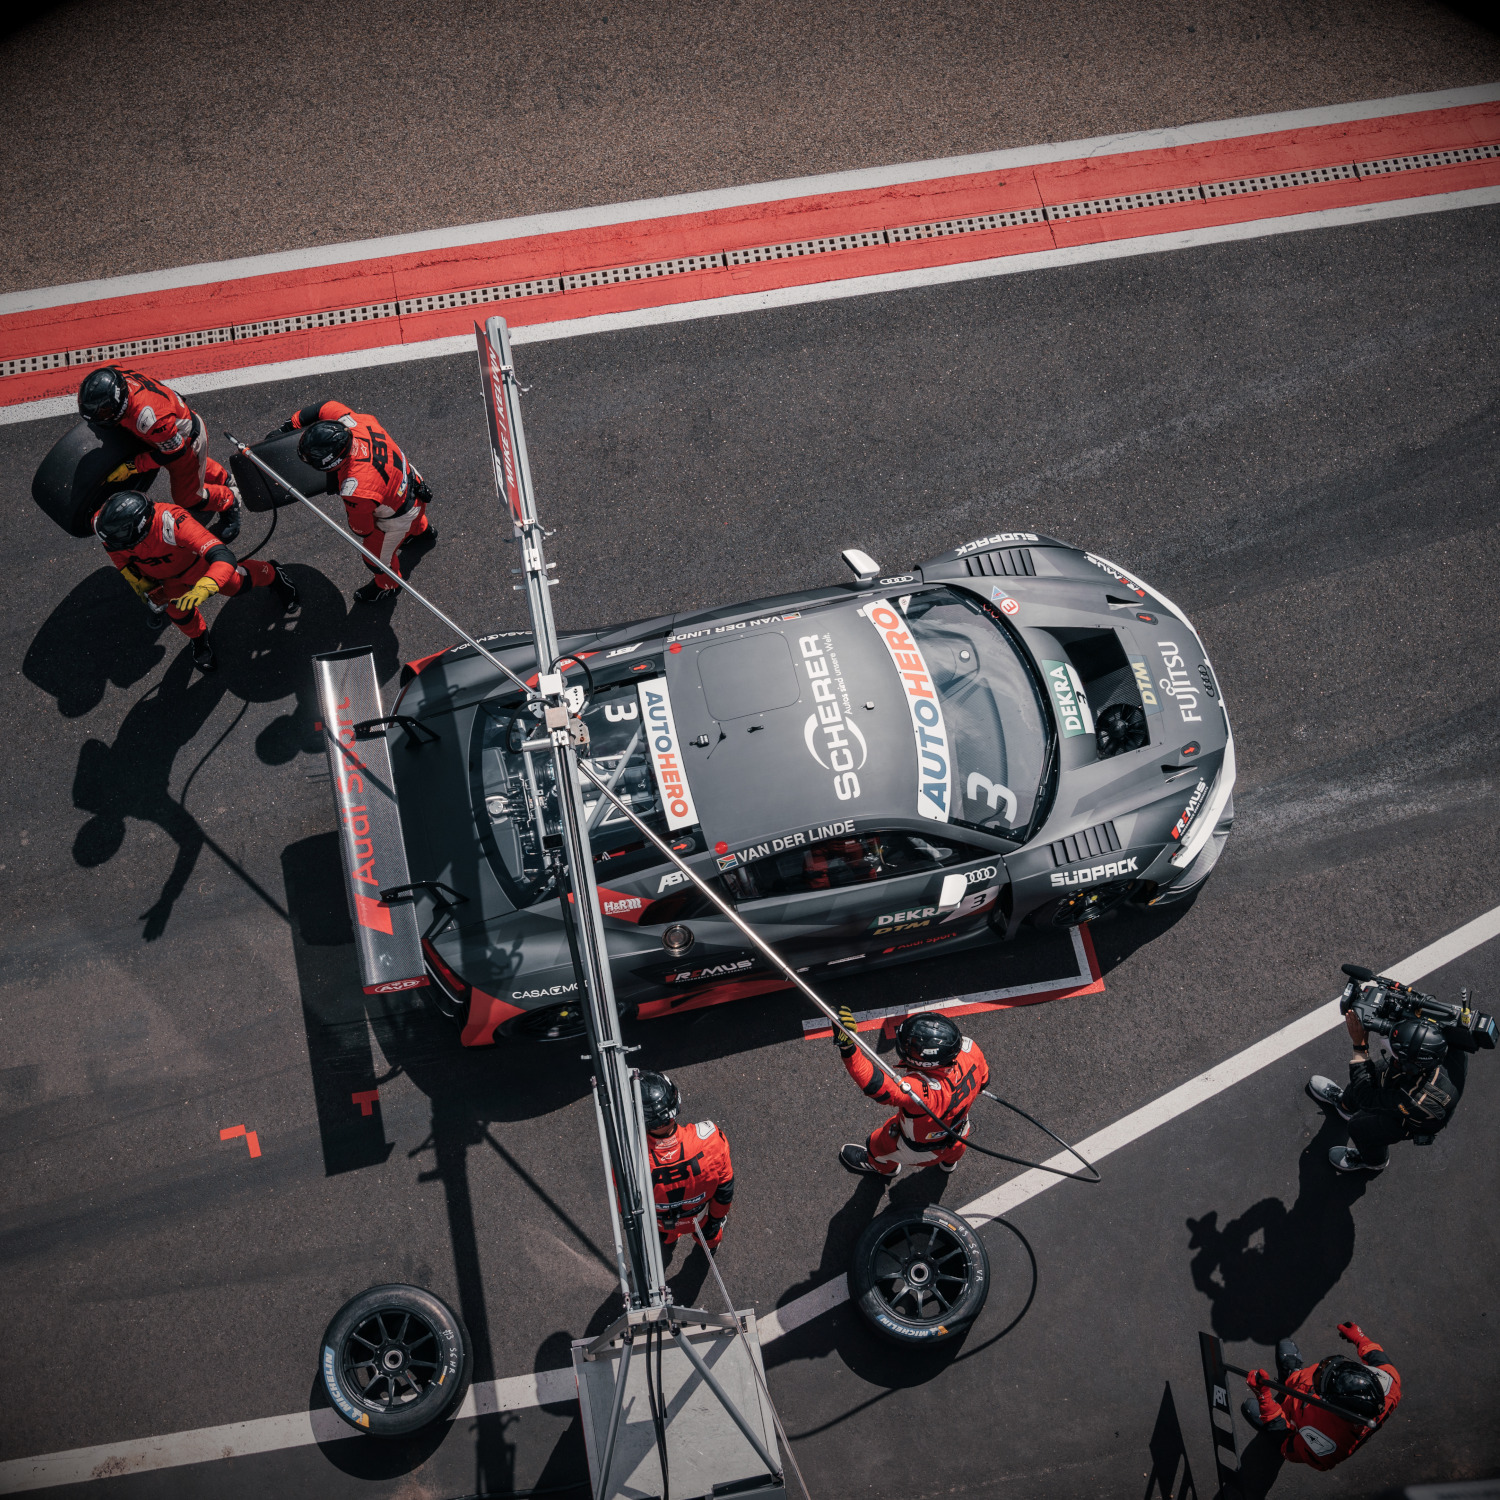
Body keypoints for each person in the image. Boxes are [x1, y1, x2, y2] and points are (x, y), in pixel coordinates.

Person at [94, 491, 298, 672]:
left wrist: (205, 586)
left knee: (236, 585)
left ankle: (274, 574)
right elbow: (120, 559)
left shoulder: (174, 522)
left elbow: (222, 556)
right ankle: (199, 638)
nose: (113, 545)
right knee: (178, 613)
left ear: (142, 526)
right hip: (163, 579)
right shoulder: (108, 528)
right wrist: (143, 584)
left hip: (196, 568)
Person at [276, 401, 435, 606]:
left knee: (375, 558)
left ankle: (388, 586)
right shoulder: (356, 423)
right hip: (412, 483)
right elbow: (325, 406)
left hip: (398, 515)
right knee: (412, 514)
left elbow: (362, 529)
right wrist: (290, 426)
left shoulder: (355, 489)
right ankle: (422, 532)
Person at [77, 367, 241, 542]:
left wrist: (133, 466)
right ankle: (223, 478)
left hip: (184, 442)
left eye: (104, 412)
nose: (100, 418)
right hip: (167, 427)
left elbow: (175, 451)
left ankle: (230, 501)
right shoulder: (112, 372)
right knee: (194, 467)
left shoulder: (149, 419)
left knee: (188, 498)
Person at [835, 1008, 989, 1179]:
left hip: (922, 1150)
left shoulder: (924, 1092)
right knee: (954, 1151)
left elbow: (876, 1085)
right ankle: (948, 1165)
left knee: (876, 1146)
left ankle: (883, 1168)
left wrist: (848, 1047)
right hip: (960, 1134)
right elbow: (984, 1082)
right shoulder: (970, 1049)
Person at [1308, 1008, 1465, 1173]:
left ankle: (1374, 1161)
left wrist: (1360, 1047)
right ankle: (1345, 1106)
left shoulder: (1414, 1099)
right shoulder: (1446, 1048)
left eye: (1397, 1055)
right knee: (1371, 1074)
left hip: (1407, 1119)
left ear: (1412, 1066)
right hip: (1409, 1083)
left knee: (1360, 1127)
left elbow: (1366, 1097)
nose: (1392, 1054)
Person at [1241, 1321, 1400, 1469]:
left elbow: (1285, 1443)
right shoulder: (1389, 1383)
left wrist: (1263, 1397)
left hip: (1293, 1421)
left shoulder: (1326, 1446)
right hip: (1303, 1390)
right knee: (1300, 1378)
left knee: (1253, 1412)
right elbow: (1377, 1358)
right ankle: (1292, 1375)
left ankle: (1277, 1412)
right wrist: (1360, 1338)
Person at [639, 1071, 734, 1254]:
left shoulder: (630, 1159)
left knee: (664, 1239)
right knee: (709, 1239)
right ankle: (709, 1239)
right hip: (701, 1219)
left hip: (661, 1225)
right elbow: (725, 1189)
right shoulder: (711, 1139)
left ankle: (669, 1240)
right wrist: (715, 1220)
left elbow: (625, 1204)